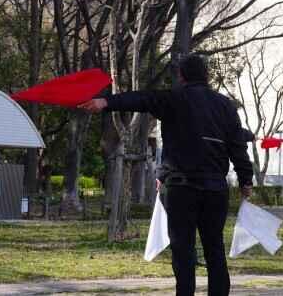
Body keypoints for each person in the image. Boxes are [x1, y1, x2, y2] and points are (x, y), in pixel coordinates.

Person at [79, 54, 254, 296]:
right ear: (206, 75)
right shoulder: (226, 106)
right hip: (215, 189)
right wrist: (246, 180)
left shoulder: (174, 99)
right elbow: (237, 146)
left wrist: (106, 102)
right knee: (215, 250)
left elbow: (142, 98)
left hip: (182, 188)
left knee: (183, 251)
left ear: (181, 76)